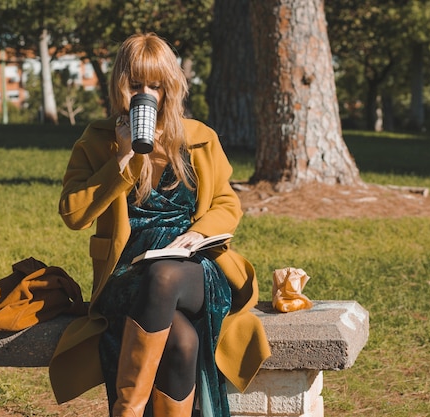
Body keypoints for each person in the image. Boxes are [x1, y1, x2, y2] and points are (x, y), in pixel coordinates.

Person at [48, 33, 271, 417]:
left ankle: (126, 413)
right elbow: (73, 213)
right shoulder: (97, 141)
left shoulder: (199, 138)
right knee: (181, 341)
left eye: (156, 86)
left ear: (172, 87)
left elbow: (226, 202)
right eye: (136, 85)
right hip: (127, 274)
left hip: (194, 268)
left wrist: (197, 235)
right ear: (120, 85)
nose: (146, 94)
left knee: (165, 276)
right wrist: (121, 160)